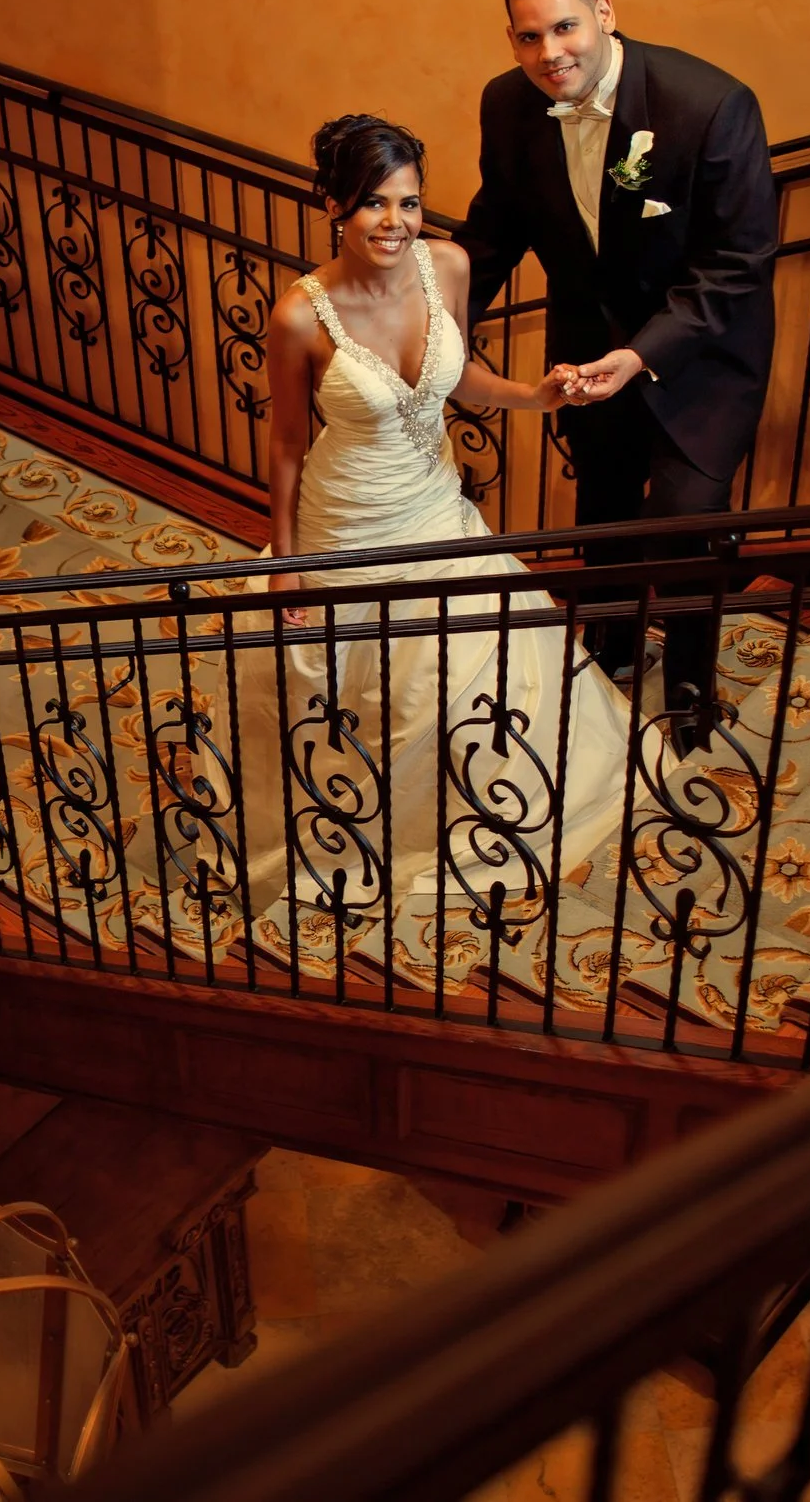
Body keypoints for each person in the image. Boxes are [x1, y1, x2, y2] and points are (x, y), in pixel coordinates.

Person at [206, 114, 641, 982]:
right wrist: (287, 562)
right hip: (348, 526)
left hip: (436, 510)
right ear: (333, 204)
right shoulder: (299, 316)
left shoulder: (449, 265)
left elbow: (459, 373)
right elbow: (288, 446)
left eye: (409, 201)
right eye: (373, 203)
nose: (396, 222)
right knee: (356, 699)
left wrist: (538, 395)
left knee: (479, 679)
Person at [457, 0, 779, 749]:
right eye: (529, 37)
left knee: (683, 520)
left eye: (565, 27)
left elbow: (739, 262)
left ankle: (691, 693)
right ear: (512, 39)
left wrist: (643, 353)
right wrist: (432, 325)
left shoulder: (710, 104)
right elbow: (494, 232)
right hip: (583, 350)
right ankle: (611, 647)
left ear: (605, 14)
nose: (549, 53)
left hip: (701, 360)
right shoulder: (509, 105)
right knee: (600, 508)